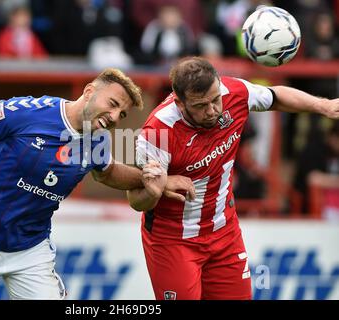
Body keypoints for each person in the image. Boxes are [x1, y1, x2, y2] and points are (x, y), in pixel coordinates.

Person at [0, 68, 191, 300]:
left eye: (122, 114)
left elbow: (108, 172)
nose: (114, 117)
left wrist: (153, 179)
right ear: (89, 92)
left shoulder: (97, 140)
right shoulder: (26, 112)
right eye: (112, 104)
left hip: (30, 250)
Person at [127, 57, 339, 300]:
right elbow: (135, 200)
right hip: (173, 240)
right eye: (200, 105)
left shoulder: (234, 92)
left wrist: (323, 106)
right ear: (179, 103)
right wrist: (155, 190)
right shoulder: (157, 131)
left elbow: (275, 96)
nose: (212, 110)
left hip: (224, 231)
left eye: (215, 100)